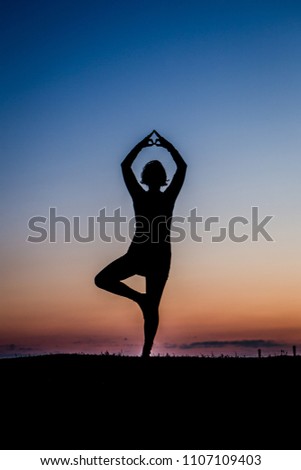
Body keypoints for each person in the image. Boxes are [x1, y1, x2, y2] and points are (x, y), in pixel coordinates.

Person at [95, 130, 187, 357]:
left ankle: (145, 347)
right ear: (161, 177)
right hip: (152, 255)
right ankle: (145, 351)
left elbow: (125, 166)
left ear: (146, 177)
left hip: (143, 254)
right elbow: (182, 167)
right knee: (151, 306)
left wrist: (142, 145)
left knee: (104, 281)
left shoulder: (142, 195)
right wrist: (167, 146)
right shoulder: (166, 197)